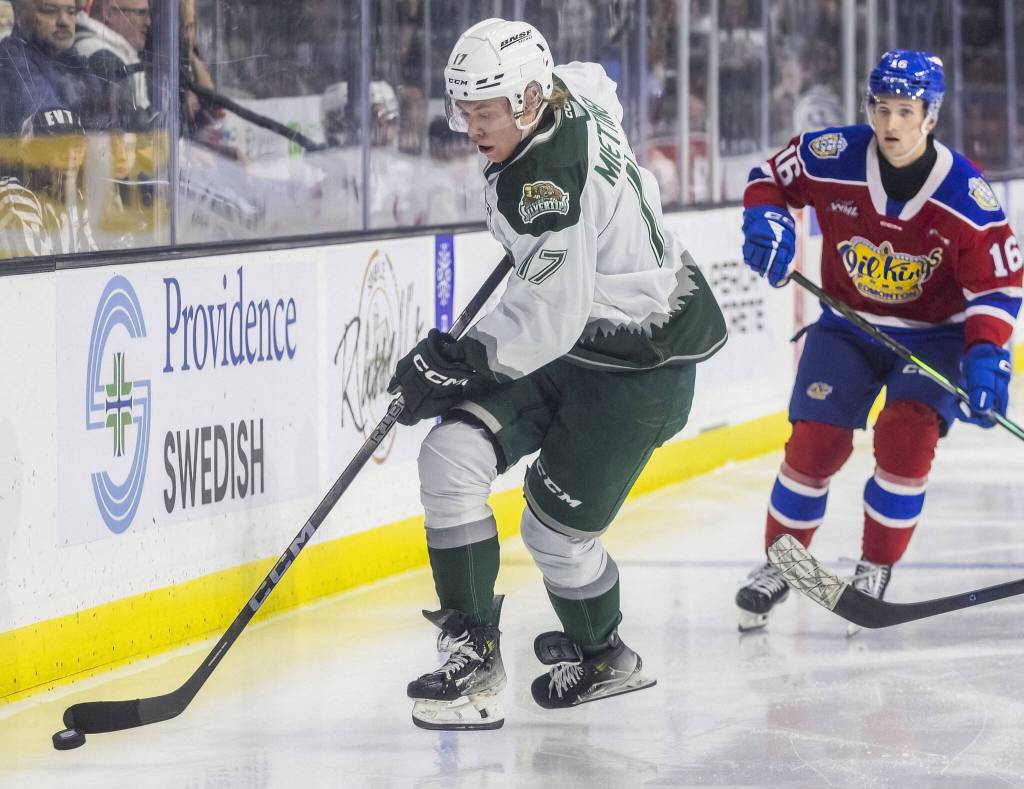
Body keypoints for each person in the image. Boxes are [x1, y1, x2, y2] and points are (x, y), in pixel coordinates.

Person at [388, 18, 727, 730]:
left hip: (639, 366)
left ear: (530, 99)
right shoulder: (571, 89)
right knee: (450, 457)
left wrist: (459, 365)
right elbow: (600, 80)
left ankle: (605, 655)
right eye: (464, 109)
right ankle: (474, 654)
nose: (471, 127)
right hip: (577, 342)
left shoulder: (544, 187)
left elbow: (549, 318)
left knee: (553, 534)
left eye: (485, 111)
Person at [734, 50, 1021, 634]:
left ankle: (875, 566)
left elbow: (997, 284)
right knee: (814, 444)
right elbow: (769, 178)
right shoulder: (832, 154)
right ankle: (782, 565)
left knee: (905, 440)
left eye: (905, 111)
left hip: (934, 339)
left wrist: (987, 354)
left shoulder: (965, 193)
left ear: (930, 116)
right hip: (848, 325)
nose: (890, 123)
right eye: (881, 108)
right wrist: (769, 221)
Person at [73, 0, 153, 131]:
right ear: (108, 12)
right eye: (140, 13)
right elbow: (130, 129)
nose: (148, 22)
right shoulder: (103, 59)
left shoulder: (112, 54)